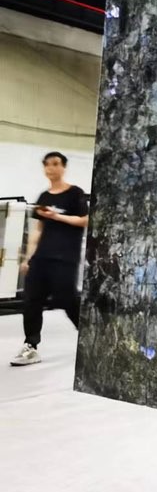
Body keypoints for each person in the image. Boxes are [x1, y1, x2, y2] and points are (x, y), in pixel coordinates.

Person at [10, 152, 89, 366]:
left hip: (65, 258)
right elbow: (38, 230)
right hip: (41, 258)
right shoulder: (44, 197)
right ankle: (30, 346)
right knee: (31, 300)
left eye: (55, 164)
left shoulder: (75, 193)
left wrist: (57, 216)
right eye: (47, 164)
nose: (50, 168)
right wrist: (28, 258)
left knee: (67, 299)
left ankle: (92, 338)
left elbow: (84, 220)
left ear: (63, 167)